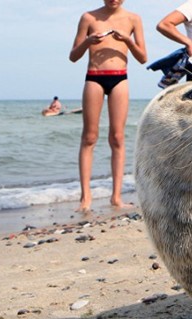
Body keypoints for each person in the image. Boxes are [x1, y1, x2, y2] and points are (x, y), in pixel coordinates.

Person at [69, 0, 147, 212]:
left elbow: (142, 57)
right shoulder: (89, 17)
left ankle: (116, 197)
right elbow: (73, 56)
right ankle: (85, 198)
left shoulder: (133, 19)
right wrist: (88, 42)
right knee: (89, 137)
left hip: (120, 78)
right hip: (94, 77)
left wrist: (127, 41)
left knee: (118, 138)